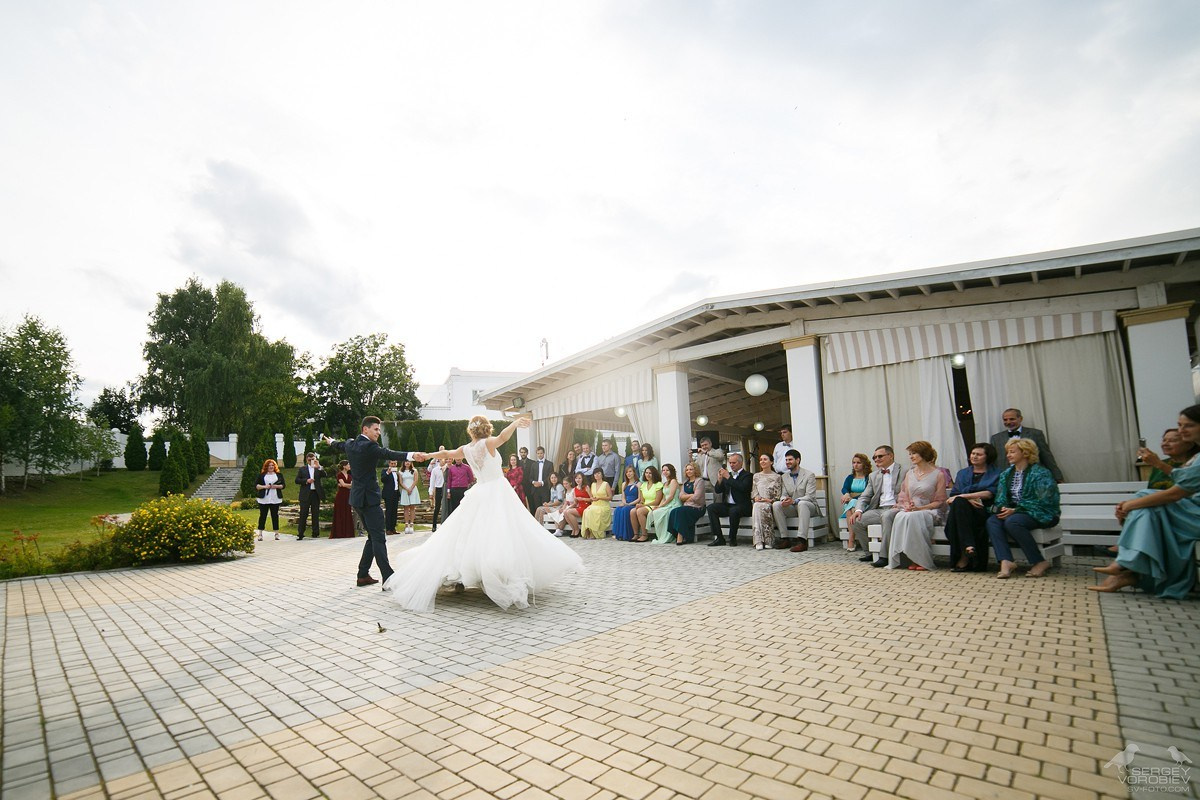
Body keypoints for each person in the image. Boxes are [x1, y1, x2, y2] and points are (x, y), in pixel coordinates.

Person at [384, 415, 583, 611]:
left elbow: (448, 454)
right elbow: (504, 437)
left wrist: (428, 455)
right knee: (505, 530)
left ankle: (471, 573)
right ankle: (499, 575)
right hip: (497, 490)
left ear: (471, 430)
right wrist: (514, 423)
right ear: (486, 429)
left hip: (479, 492)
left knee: (470, 532)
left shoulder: (466, 449)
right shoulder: (488, 443)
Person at [1090, 406, 1200, 598]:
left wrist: (1131, 505)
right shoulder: (1191, 461)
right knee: (1146, 505)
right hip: (1184, 511)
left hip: (1193, 514)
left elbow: (1174, 494)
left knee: (1144, 499)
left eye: (1188, 426)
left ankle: (1128, 566)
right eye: (1179, 425)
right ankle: (1129, 570)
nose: (1182, 431)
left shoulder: (1191, 462)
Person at [323, 416, 422, 587]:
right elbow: (388, 453)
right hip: (369, 500)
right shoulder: (369, 446)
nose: (378, 432)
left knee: (372, 537)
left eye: (379, 429)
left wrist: (331, 441)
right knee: (378, 538)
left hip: (356, 500)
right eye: (376, 429)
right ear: (365, 430)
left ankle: (363, 575)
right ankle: (388, 577)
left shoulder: (351, 444)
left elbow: (338, 445)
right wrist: (412, 455)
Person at [987, 438, 1060, 579]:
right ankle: (1006, 560)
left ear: (1025, 453)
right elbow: (1001, 498)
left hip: (1040, 512)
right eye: (1008, 452)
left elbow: (1044, 500)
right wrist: (1001, 509)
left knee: (1012, 522)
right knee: (993, 521)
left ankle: (1039, 561)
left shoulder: (1041, 473)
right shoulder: (1006, 474)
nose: (1008, 455)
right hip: (1014, 513)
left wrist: (1016, 510)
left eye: (1012, 452)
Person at [884, 441, 949, 571]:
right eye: (910, 454)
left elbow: (940, 501)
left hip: (931, 510)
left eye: (914, 453)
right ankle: (907, 558)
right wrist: (907, 505)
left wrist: (920, 508)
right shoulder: (910, 473)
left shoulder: (938, 475)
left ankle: (920, 559)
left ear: (924, 454)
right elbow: (904, 495)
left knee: (914, 517)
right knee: (901, 516)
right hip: (912, 509)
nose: (911, 456)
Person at [845, 446, 908, 565]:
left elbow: (910, 491)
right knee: (856, 520)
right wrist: (858, 510)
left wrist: (901, 504)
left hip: (898, 508)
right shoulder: (873, 475)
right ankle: (869, 553)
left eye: (880, 456)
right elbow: (865, 496)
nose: (877, 459)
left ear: (891, 456)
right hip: (879, 509)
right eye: (875, 457)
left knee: (887, 516)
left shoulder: (905, 471)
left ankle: (885, 557)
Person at [946, 443, 1001, 572]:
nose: (974, 456)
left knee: (959, 503)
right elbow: (953, 496)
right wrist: (968, 500)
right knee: (959, 504)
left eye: (979, 454)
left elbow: (989, 493)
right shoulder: (963, 473)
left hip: (984, 510)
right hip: (963, 510)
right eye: (973, 453)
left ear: (988, 457)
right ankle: (968, 546)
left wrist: (965, 496)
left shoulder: (997, 473)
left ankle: (965, 554)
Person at [989, 408, 1063, 482]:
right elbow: (992, 462)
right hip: (1007, 479)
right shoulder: (995, 438)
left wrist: (1057, 477)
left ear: (1020, 419)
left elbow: (1046, 457)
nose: (1008, 422)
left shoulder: (1035, 434)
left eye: (1012, 419)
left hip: (1032, 477)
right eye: (1005, 420)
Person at [771, 450, 819, 552]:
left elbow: (810, 496)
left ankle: (802, 541)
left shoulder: (809, 475)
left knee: (802, 503)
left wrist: (794, 501)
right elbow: (783, 494)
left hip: (808, 506)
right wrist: (785, 500)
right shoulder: (784, 477)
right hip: (793, 507)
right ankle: (785, 538)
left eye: (790, 459)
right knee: (776, 504)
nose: (787, 462)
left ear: (798, 460)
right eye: (786, 460)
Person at [707, 453, 752, 547]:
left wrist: (728, 477)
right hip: (728, 505)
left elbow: (743, 488)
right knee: (711, 507)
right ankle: (719, 537)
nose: (731, 465)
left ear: (740, 463)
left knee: (734, 511)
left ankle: (732, 538)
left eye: (734, 463)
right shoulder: (728, 475)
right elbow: (718, 490)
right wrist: (719, 480)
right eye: (730, 463)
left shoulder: (747, 475)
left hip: (742, 505)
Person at [667, 464, 707, 545]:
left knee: (681, 512)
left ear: (695, 470)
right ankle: (678, 534)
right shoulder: (686, 482)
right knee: (673, 511)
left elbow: (697, 497)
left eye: (691, 469)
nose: (688, 471)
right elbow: (680, 497)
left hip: (698, 508)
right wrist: (690, 495)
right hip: (687, 507)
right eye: (687, 470)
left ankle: (681, 536)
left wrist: (687, 498)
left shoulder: (699, 481)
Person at [751, 453, 783, 550]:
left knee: (761, 506)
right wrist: (756, 497)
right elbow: (754, 492)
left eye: (765, 459)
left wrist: (769, 500)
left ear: (771, 462)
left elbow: (778, 494)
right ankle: (758, 540)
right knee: (757, 505)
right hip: (759, 502)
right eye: (761, 459)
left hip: (771, 503)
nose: (762, 461)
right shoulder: (756, 476)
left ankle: (768, 539)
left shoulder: (777, 477)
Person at [646, 464, 681, 543]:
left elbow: (671, 497)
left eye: (667, 470)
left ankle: (668, 536)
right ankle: (661, 535)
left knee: (663, 512)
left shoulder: (673, 481)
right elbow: (664, 497)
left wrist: (661, 506)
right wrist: (658, 506)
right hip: (666, 504)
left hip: (674, 504)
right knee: (655, 511)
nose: (665, 472)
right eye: (663, 470)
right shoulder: (665, 483)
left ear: (671, 471)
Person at [295, 452, 326, 540]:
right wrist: (306, 480)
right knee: (303, 514)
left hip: (315, 493)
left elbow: (325, 475)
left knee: (315, 514)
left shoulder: (318, 468)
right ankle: (301, 533)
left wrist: (319, 466)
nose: (311, 461)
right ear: (306, 460)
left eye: (313, 459)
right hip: (305, 494)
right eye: (309, 460)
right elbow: (297, 480)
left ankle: (315, 533)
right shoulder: (303, 469)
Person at [255, 459, 286, 541]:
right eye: (269, 466)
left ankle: (276, 533)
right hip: (264, 499)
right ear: (266, 467)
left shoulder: (279, 475)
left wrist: (276, 486)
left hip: (275, 498)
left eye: (272, 465)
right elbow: (257, 486)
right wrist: (265, 487)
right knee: (263, 515)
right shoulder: (262, 475)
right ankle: (260, 534)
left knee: (275, 515)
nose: (271, 467)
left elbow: (283, 485)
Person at [631, 465, 663, 542]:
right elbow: (642, 500)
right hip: (644, 505)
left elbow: (657, 501)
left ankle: (645, 535)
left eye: (650, 473)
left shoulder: (658, 484)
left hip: (654, 505)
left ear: (654, 474)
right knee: (632, 511)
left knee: (640, 511)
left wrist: (643, 505)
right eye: (646, 473)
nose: (647, 475)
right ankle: (636, 534)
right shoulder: (643, 485)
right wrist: (640, 504)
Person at [839, 454, 872, 528]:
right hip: (851, 501)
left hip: (865, 503)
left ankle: (851, 537)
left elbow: (867, 492)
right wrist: (846, 494)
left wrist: (853, 498)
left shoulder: (869, 477)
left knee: (851, 504)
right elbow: (844, 488)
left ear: (864, 464)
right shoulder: (850, 477)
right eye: (854, 463)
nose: (855, 465)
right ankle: (852, 535)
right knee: (849, 505)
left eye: (858, 463)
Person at [557, 472, 592, 538]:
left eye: (579, 478)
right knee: (566, 512)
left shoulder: (586, 487)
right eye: (576, 478)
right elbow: (575, 503)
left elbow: (591, 499)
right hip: (579, 506)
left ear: (582, 479)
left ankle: (577, 529)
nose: (578, 480)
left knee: (568, 512)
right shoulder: (575, 489)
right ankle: (574, 529)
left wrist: (583, 499)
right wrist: (573, 503)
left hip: (586, 507)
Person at [581, 468, 613, 539]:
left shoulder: (605, 484)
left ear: (602, 474)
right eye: (595, 474)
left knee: (593, 511)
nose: (597, 475)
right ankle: (589, 530)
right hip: (595, 504)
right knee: (586, 511)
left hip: (603, 506)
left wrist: (600, 498)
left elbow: (610, 497)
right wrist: (589, 492)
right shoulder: (593, 484)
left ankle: (594, 533)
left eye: (598, 473)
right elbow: (592, 498)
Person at [611, 466, 641, 541]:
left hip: (634, 503)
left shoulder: (638, 484)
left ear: (634, 472)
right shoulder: (624, 484)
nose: (628, 473)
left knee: (625, 510)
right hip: (626, 503)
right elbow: (623, 497)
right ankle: (619, 534)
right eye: (627, 472)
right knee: (618, 509)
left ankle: (627, 534)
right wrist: (624, 502)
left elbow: (639, 498)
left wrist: (630, 504)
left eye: (630, 471)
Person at [331, 461, 355, 539]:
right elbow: (344, 485)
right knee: (340, 513)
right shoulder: (339, 475)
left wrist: (344, 485)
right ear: (344, 466)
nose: (349, 466)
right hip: (341, 496)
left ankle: (347, 532)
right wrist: (346, 485)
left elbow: (349, 485)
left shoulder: (349, 475)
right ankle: (339, 532)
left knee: (347, 512)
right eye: (348, 465)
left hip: (348, 495)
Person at [526, 446, 554, 513]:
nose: (540, 455)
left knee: (545, 508)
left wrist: (541, 483)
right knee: (537, 508)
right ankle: (538, 522)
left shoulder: (549, 464)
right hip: (535, 490)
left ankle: (545, 523)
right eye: (538, 453)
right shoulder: (534, 464)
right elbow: (530, 478)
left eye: (541, 453)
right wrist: (534, 482)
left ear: (544, 453)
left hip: (545, 489)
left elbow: (550, 477)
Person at [399, 460, 421, 534]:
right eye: (406, 462)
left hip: (413, 490)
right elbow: (401, 482)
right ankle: (406, 525)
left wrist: (411, 488)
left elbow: (415, 480)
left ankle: (411, 524)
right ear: (404, 463)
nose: (407, 463)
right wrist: (407, 489)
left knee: (412, 507)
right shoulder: (401, 472)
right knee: (405, 508)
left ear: (411, 463)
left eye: (409, 462)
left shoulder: (414, 471)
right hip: (405, 490)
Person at [381, 461, 402, 535]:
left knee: (394, 511)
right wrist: (388, 473)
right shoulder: (384, 471)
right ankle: (388, 529)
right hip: (388, 494)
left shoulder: (396, 472)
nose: (393, 465)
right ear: (389, 464)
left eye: (395, 463)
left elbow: (398, 482)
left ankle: (393, 528)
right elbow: (383, 480)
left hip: (395, 493)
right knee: (389, 511)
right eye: (392, 463)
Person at [426, 457, 446, 531]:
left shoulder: (448, 468)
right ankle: (434, 525)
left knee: (446, 506)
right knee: (437, 507)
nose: (442, 460)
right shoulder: (435, 470)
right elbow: (432, 482)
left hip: (446, 488)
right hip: (439, 488)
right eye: (440, 459)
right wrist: (431, 492)